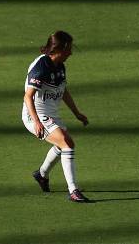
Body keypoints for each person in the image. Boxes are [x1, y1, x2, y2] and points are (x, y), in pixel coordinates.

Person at [22, 31, 90, 202]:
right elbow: (27, 96)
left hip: (50, 114)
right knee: (66, 144)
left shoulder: (60, 65)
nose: (71, 52)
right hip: (35, 115)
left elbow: (63, 90)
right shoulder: (41, 66)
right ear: (60, 48)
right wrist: (36, 121)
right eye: (69, 49)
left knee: (66, 145)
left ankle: (41, 174)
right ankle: (73, 190)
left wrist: (77, 113)